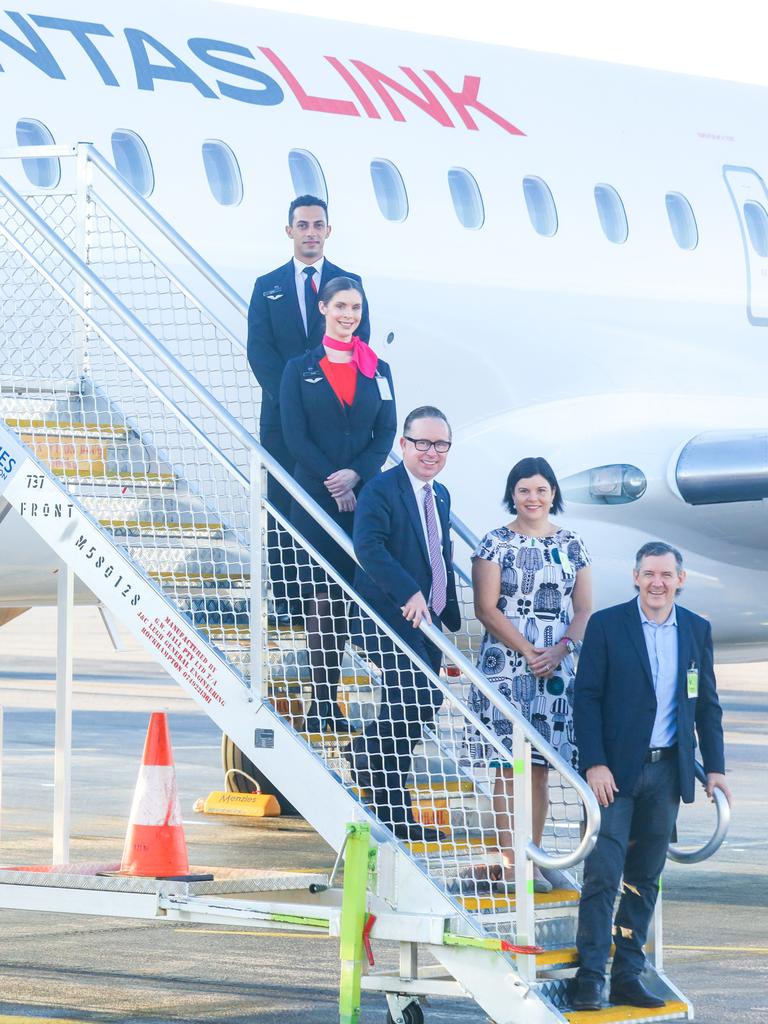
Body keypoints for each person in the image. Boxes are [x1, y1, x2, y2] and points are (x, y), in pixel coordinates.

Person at [570, 541, 731, 1012]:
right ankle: (590, 977)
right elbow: (587, 698)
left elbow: (707, 705)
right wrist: (594, 762)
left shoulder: (696, 630)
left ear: (680, 580)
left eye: (666, 575)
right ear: (635, 578)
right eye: (649, 574)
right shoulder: (607, 624)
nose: (657, 583)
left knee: (645, 880)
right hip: (613, 776)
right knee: (603, 876)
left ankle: (627, 976)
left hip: (666, 775)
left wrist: (715, 768)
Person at [468, 456, 592, 894]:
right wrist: (527, 650)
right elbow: (486, 609)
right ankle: (510, 860)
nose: (533, 498)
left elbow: (584, 609)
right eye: (524, 490)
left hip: (556, 671)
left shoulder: (572, 544)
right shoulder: (495, 543)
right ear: (512, 495)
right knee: (509, 766)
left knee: (540, 767)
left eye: (540, 489)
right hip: (508, 668)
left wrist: (562, 650)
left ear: (553, 493)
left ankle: (533, 856)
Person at [247, 194, 371, 622]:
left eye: (318, 225)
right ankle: (287, 597)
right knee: (282, 501)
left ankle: (340, 594)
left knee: (337, 497)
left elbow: (359, 345)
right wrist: (292, 403)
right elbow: (259, 351)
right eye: (303, 225)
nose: (311, 232)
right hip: (282, 419)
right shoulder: (269, 285)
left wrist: (324, 402)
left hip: (335, 420)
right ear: (290, 231)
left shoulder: (348, 282)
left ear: (328, 231)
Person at [280, 277, 395, 734]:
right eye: (341, 306)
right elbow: (294, 435)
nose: (349, 315)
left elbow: (385, 432)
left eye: (356, 307)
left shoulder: (378, 369)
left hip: (363, 497)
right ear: (323, 307)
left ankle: (374, 703)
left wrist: (356, 476)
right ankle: (323, 700)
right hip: (315, 496)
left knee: (356, 596)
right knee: (323, 597)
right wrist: (335, 480)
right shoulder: (300, 368)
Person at [347, 407, 461, 843]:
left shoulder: (441, 495)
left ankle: (380, 778)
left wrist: (445, 605)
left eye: (441, 444)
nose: (432, 452)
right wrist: (409, 591)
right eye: (423, 443)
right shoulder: (381, 490)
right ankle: (383, 785)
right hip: (386, 612)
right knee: (414, 694)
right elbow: (369, 547)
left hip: (425, 619)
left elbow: (440, 551)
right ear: (404, 445)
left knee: (422, 702)